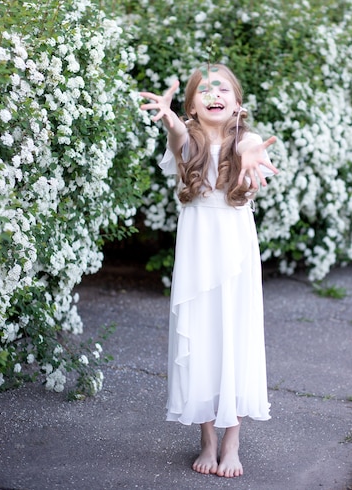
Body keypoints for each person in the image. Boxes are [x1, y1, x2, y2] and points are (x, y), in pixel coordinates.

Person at [140, 63, 278, 478]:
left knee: (234, 333)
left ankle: (232, 440)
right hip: (198, 249)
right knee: (200, 334)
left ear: (238, 104)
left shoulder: (246, 140)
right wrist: (169, 122)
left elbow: (248, 150)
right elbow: (180, 138)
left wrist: (251, 154)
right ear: (192, 105)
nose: (214, 95)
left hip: (234, 250)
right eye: (204, 90)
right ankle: (206, 440)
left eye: (223, 90)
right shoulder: (189, 139)